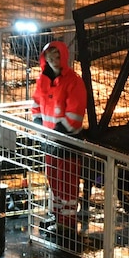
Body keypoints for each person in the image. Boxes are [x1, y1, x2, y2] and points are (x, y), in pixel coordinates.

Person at [31, 40, 87, 236]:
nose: (53, 61)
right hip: (50, 140)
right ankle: (57, 216)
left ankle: (67, 224)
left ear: (63, 57)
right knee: (54, 181)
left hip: (66, 141)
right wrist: (39, 124)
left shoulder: (74, 82)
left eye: (56, 57)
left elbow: (75, 113)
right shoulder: (43, 79)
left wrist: (57, 130)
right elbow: (37, 104)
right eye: (50, 57)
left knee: (67, 183)